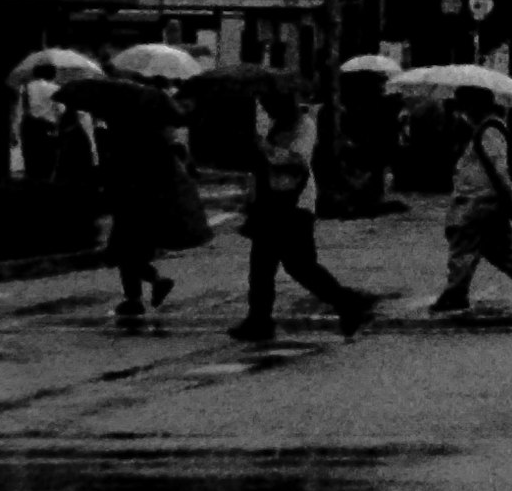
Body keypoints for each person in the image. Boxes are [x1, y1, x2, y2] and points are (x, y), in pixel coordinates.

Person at [233, 87, 373, 342]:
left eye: (271, 102)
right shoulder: (277, 125)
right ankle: (259, 320)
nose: (268, 107)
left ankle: (347, 302)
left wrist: (263, 147)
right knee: (262, 265)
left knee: (300, 265)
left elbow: (296, 160)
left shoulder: (304, 126)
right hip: (270, 203)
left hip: (294, 204)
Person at [427, 90, 512, 317]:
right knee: (499, 249)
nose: (462, 112)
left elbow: (499, 170)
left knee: (463, 241)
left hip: (479, 202)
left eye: (464, 105)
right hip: (484, 201)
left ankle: (455, 293)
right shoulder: (483, 130)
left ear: (475, 106)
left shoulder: (489, 131)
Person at [105, 90, 207, 317]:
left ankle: (141, 291)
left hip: (134, 201)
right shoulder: (158, 138)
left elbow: (124, 170)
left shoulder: (134, 139)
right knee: (132, 250)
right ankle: (140, 292)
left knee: (126, 250)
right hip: (150, 203)